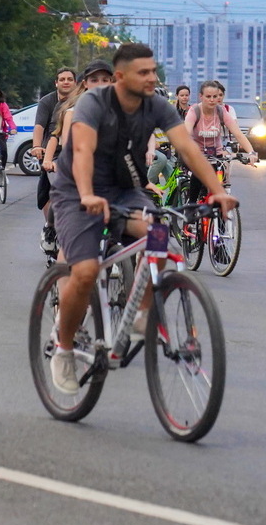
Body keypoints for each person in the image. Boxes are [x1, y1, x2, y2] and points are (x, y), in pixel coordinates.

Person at [47, 44, 237, 394]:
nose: (152, 78)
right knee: (86, 270)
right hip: (78, 190)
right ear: (121, 78)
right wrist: (88, 194)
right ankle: (64, 347)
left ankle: (140, 313)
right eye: (144, 72)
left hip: (124, 189)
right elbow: (82, 151)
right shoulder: (93, 103)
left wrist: (218, 191)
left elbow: (187, 148)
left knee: (161, 237)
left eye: (154, 71)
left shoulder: (157, 106)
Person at [32, 67, 78, 244]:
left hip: (82, 155)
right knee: (52, 193)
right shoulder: (50, 102)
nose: (66, 82)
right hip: (56, 154)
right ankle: (50, 227)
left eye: (69, 79)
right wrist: (37, 147)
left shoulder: (87, 103)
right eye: (62, 79)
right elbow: (44, 130)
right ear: (56, 83)